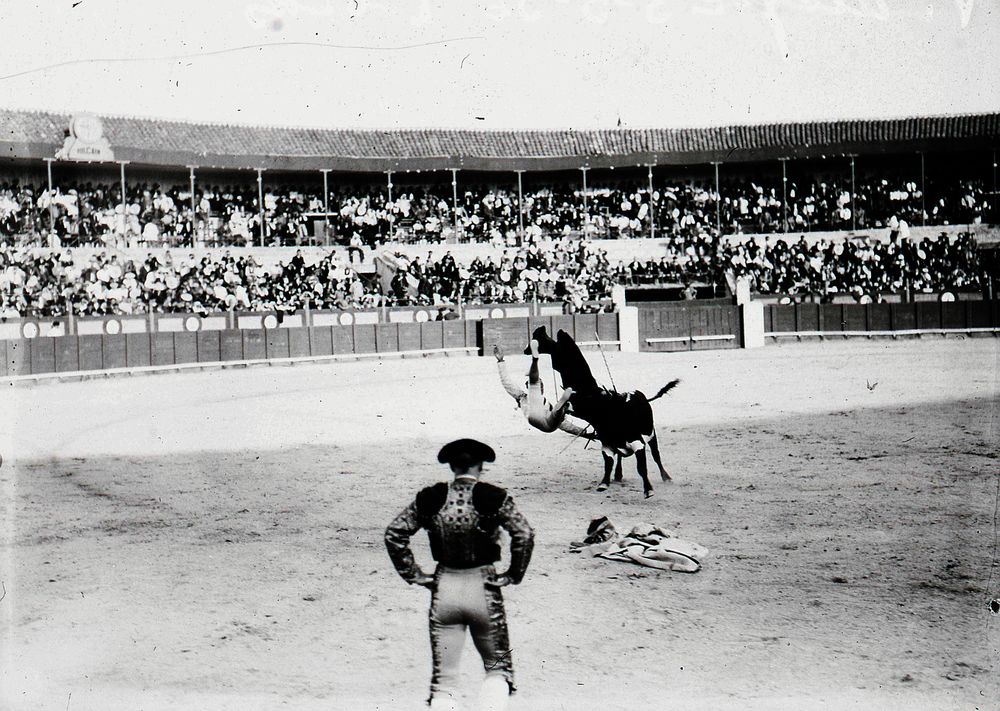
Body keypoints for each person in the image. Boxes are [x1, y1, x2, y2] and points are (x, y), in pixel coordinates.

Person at [385, 439, 534, 711]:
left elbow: (394, 533)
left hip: (445, 590)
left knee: (444, 680)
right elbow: (524, 533)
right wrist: (513, 574)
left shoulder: (430, 497)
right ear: (481, 466)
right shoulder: (494, 496)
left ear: (452, 466)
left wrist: (415, 574)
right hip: (484, 588)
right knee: (499, 668)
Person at [494, 342, 588, 436]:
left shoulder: (545, 403)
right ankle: (564, 405)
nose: (541, 388)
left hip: (546, 423)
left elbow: (564, 425)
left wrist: (582, 432)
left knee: (556, 414)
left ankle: (563, 405)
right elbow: (507, 382)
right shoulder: (522, 397)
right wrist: (501, 361)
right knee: (555, 411)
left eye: (541, 386)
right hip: (539, 419)